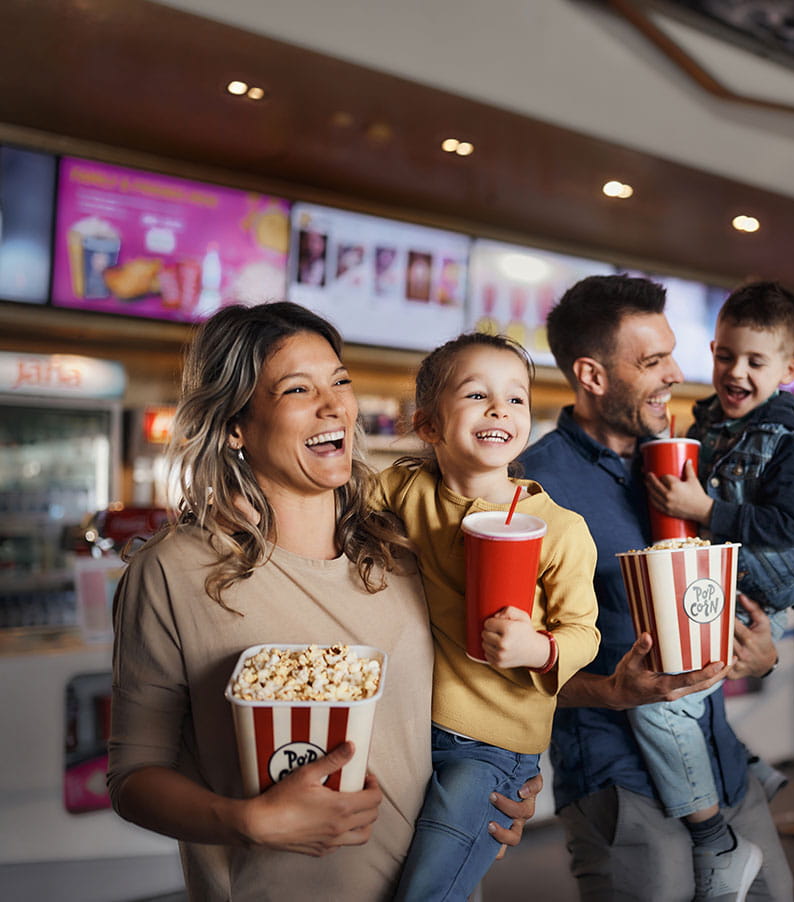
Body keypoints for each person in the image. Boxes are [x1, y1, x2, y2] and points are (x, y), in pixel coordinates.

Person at [106, 302, 539, 901]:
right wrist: (247, 822)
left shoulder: (404, 549)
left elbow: (467, 698)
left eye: (340, 381)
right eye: (297, 389)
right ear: (236, 424)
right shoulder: (174, 574)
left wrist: (500, 780)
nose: (335, 405)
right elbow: (133, 776)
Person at [519, 274, 794, 902]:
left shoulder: (687, 464)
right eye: (651, 360)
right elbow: (501, 664)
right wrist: (612, 691)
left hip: (719, 759)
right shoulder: (532, 488)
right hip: (615, 772)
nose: (675, 373)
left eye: (671, 352)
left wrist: (759, 651)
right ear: (592, 375)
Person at [382, 332, 600, 901]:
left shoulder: (561, 527)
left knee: (428, 891)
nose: (501, 408)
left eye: (516, 398)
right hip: (405, 732)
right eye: (477, 395)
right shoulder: (403, 489)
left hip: (492, 747)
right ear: (428, 424)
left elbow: (585, 632)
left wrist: (538, 648)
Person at [638, 280, 794, 873]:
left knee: (661, 706)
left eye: (755, 360)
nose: (735, 372)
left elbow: (788, 527)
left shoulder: (793, 441)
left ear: (789, 367)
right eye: (725, 355)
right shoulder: (710, 420)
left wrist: (705, 512)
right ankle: (747, 766)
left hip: (758, 597)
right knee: (685, 699)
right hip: (717, 586)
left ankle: (714, 843)